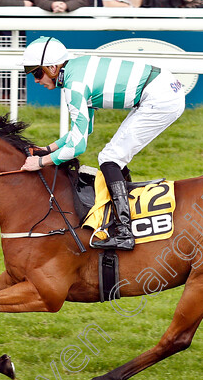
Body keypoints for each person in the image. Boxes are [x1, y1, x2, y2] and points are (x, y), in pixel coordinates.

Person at [20, 36, 186, 250]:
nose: (35, 80)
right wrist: (49, 149)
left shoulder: (74, 85)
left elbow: (78, 146)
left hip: (160, 97)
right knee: (113, 157)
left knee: (110, 158)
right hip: (161, 90)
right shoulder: (75, 69)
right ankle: (127, 217)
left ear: (52, 68)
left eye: (37, 73)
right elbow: (83, 130)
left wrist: (42, 163)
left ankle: (125, 231)